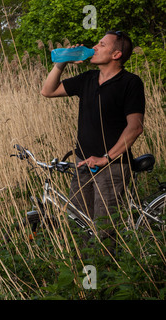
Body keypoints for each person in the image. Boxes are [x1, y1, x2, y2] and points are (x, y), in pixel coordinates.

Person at [40, 30, 146, 251]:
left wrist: (105, 158)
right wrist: (62, 62)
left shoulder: (130, 82)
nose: (94, 47)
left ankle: (105, 276)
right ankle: (87, 274)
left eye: (101, 44)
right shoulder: (88, 78)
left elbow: (135, 127)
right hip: (83, 163)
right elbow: (47, 91)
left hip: (112, 167)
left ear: (116, 54)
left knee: (103, 229)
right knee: (79, 222)